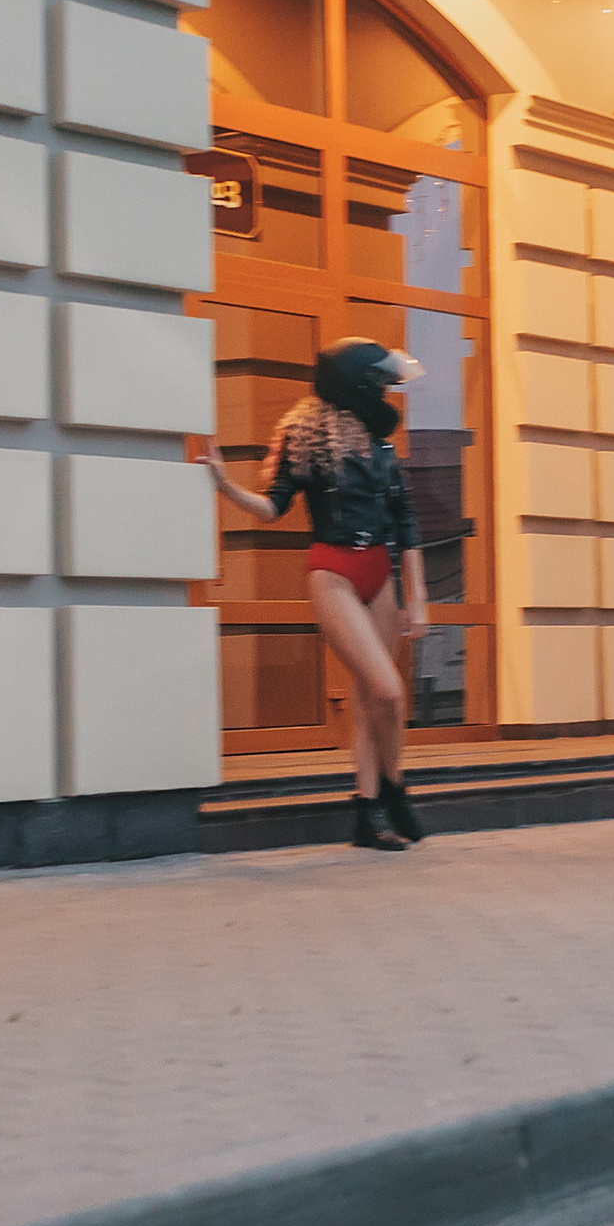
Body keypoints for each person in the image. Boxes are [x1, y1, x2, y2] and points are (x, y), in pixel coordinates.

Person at [202, 338, 431, 852]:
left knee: (374, 697)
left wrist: (417, 597)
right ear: (359, 385)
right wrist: (227, 486)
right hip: (333, 571)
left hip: (380, 571)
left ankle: (367, 813)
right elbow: (272, 508)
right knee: (388, 690)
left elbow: (405, 522)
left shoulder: (381, 446)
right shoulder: (304, 437)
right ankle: (395, 789)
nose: (388, 392)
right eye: (381, 383)